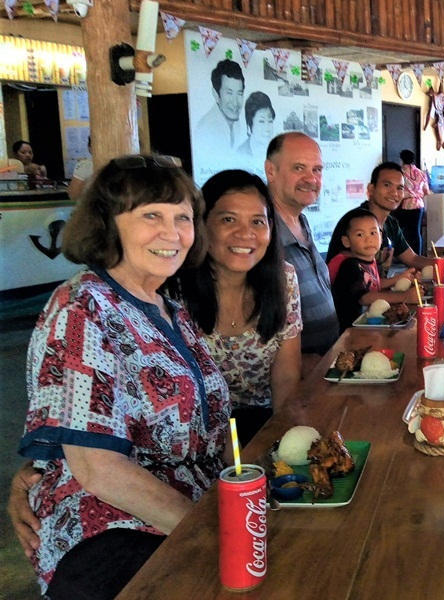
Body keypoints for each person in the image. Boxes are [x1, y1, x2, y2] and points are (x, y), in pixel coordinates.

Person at [11, 155, 230, 599]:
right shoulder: (81, 306)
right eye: (151, 215)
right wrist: (209, 534)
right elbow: (98, 468)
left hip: (190, 504)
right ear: (108, 223)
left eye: (182, 217)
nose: (172, 233)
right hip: (111, 524)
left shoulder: (167, 304)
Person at [169, 169, 301, 446]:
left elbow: (286, 377)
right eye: (229, 219)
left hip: (262, 422)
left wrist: (282, 443)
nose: (246, 234)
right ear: (202, 224)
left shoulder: (283, 278)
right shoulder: (172, 290)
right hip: (194, 436)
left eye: (258, 221)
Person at [263, 132, 339, 359]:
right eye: (299, 168)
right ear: (271, 171)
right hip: (295, 376)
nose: (311, 179)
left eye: (317, 170)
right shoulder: (262, 230)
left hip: (324, 367)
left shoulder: (301, 220)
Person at [326, 162, 433, 280]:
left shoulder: (391, 223)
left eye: (400, 188)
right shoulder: (356, 222)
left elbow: (412, 258)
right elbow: (359, 287)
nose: (394, 193)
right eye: (387, 185)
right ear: (371, 189)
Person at [330, 207, 418, 331]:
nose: (368, 239)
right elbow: (364, 297)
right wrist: (405, 297)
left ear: (381, 236)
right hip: (352, 331)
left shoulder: (368, 260)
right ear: (346, 241)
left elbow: (373, 283)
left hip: (369, 324)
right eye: (360, 234)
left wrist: (400, 277)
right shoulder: (350, 266)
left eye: (373, 233)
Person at [196, 59, 246, 148]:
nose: (235, 103)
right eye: (229, 93)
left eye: (239, 93)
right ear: (216, 94)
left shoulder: (236, 123)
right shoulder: (206, 128)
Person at [396, 149, 430, 255]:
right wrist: (417, 194)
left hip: (406, 205)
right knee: (416, 232)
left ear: (402, 160)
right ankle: (417, 256)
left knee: (401, 232)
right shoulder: (421, 173)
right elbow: (426, 191)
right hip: (419, 206)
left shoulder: (401, 173)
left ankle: (403, 256)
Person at [237, 91, 275, 158]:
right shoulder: (240, 154)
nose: (267, 128)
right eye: (261, 121)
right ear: (250, 124)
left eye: (270, 121)